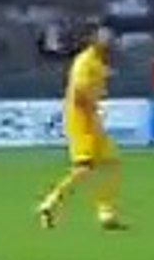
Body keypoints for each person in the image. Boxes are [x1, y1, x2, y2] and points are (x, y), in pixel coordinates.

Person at [38, 24, 127, 230]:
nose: (110, 41)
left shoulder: (97, 61)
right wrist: (91, 101)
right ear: (94, 39)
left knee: (111, 163)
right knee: (84, 168)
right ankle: (50, 204)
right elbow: (79, 91)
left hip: (90, 116)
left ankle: (106, 212)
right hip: (81, 118)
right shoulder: (84, 61)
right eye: (105, 37)